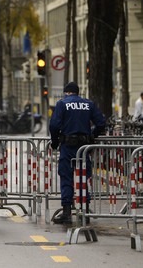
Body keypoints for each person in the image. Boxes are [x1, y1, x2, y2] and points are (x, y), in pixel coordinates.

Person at [49, 81, 105, 225]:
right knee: (84, 178)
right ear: (77, 92)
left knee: (66, 177)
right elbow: (101, 123)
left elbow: (54, 125)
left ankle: (67, 212)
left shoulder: (62, 104)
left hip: (68, 146)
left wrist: (55, 141)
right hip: (84, 146)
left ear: (67, 92)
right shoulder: (88, 104)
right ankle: (84, 210)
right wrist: (92, 136)